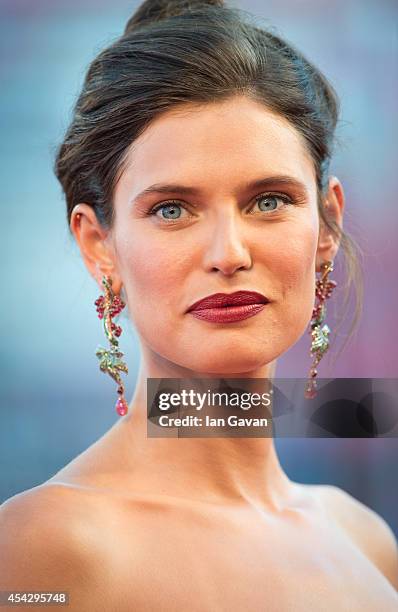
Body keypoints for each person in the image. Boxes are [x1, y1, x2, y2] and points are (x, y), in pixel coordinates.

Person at [1, 0, 397, 609]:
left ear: (327, 225)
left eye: (268, 200)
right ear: (98, 244)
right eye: (171, 209)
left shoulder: (365, 542)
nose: (229, 253)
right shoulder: (44, 548)